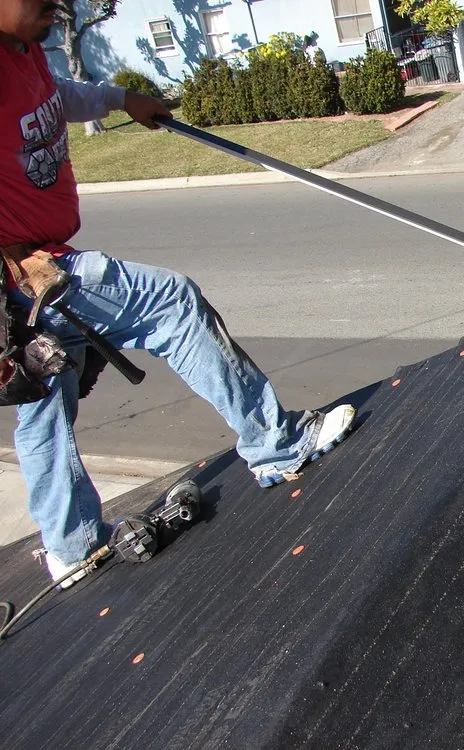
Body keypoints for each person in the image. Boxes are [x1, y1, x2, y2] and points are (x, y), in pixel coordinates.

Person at [1, 0, 354, 588]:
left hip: (38, 272)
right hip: (30, 274)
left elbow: (53, 98)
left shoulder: (26, 48)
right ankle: (277, 446)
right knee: (171, 302)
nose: (52, 8)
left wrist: (119, 98)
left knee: (46, 401)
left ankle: (70, 547)